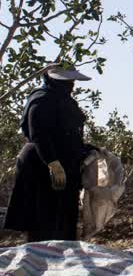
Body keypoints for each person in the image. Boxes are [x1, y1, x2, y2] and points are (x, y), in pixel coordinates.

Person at [5, 63, 96, 241]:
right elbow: (39, 134)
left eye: (72, 81)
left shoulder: (66, 101)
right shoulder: (41, 99)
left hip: (66, 164)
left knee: (64, 218)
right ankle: (41, 256)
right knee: (44, 219)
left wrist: (85, 150)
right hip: (41, 164)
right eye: (67, 81)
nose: (70, 85)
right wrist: (53, 163)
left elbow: (67, 133)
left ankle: (62, 255)